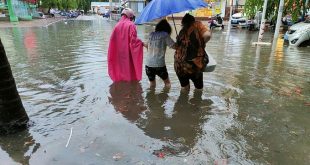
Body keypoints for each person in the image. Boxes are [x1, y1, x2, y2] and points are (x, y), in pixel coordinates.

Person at [174, 13, 211, 90]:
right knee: (198, 89)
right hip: (194, 65)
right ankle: (197, 101)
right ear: (193, 21)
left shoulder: (181, 32)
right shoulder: (197, 25)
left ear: (183, 23)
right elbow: (207, 35)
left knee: (185, 89)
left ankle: (183, 101)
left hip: (179, 65)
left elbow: (177, 47)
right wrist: (201, 44)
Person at [108, 8, 145, 82]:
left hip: (119, 54)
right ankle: (130, 87)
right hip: (128, 53)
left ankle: (121, 86)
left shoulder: (116, 26)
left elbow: (112, 42)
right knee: (129, 71)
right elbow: (134, 41)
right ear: (130, 16)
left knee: (121, 70)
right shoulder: (131, 25)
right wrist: (142, 43)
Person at [145, 19, 175, 88]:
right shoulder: (165, 35)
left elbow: (147, 46)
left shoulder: (151, 34)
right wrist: (179, 42)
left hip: (148, 65)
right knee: (167, 83)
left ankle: (151, 98)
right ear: (167, 29)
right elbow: (174, 46)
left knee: (152, 84)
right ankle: (164, 97)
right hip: (159, 65)